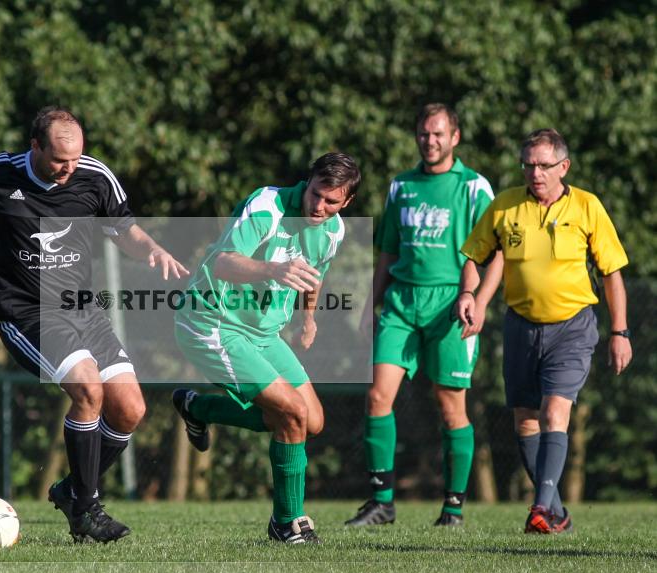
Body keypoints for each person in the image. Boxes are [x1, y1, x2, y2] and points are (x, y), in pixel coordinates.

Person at [0, 106, 188, 543]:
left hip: (81, 308)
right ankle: (86, 512)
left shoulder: (95, 176)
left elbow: (125, 229)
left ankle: (72, 490)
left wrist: (152, 249)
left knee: (131, 409)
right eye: (59, 160)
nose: (68, 169)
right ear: (35, 146)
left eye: (75, 159)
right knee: (88, 389)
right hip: (24, 310)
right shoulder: (0, 172)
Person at [172, 153, 362, 544]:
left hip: (261, 333)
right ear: (306, 183)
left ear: (347, 203)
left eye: (331, 201)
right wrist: (274, 270)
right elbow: (221, 262)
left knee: (311, 421)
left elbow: (315, 276)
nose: (319, 206)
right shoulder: (267, 206)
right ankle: (286, 522)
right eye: (315, 194)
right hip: (213, 322)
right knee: (291, 412)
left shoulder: (333, 230)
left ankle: (198, 407)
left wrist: (308, 319)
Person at [458, 128, 631, 534]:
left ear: (563, 167)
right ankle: (557, 513)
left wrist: (620, 333)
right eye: (529, 164)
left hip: (573, 326)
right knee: (526, 420)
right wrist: (470, 294)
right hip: (520, 327)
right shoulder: (505, 207)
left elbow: (612, 274)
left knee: (555, 411)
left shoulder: (587, 207)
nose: (535, 173)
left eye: (544, 165)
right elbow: (474, 256)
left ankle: (538, 507)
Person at [345, 103, 503, 528]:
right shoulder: (401, 186)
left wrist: (477, 299)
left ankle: (452, 509)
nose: (429, 141)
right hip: (401, 303)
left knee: (450, 405)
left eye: (438, 134)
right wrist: (369, 304)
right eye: (423, 134)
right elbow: (388, 252)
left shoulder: (473, 188)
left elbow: (489, 252)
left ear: (455, 137)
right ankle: (381, 503)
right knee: (377, 396)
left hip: (452, 304)